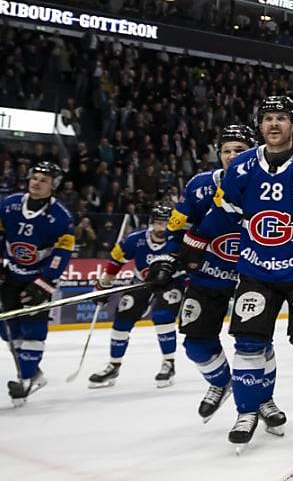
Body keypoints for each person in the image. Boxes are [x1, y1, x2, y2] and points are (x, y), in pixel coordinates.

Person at [207, 95, 293, 445]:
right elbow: (225, 211)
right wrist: (192, 248)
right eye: (268, 118)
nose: (273, 124)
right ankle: (246, 411)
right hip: (256, 270)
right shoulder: (241, 168)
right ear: (260, 125)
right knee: (249, 343)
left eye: (281, 117)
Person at [162, 125, 271, 423]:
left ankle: (263, 398)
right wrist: (168, 259)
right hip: (207, 278)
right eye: (226, 151)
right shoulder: (199, 186)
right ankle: (222, 382)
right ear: (218, 154)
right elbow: (177, 228)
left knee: (256, 344)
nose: (232, 156)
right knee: (196, 344)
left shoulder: (268, 183)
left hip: (252, 278)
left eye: (239, 150)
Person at [0, 162, 75, 405]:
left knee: (33, 330)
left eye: (44, 180)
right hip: (10, 275)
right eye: (35, 177)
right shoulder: (9, 204)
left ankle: (26, 380)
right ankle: (34, 373)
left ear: (53, 186)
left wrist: (44, 283)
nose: (36, 182)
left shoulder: (61, 217)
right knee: (8, 330)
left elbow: (62, 253)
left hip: (38, 279)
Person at [88, 205, 183, 388]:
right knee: (122, 317)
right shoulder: (135, 240)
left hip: (171, 283)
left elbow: (190, 265)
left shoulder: (178, 240)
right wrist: (103, 285)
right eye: (157, 223)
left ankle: (168, 363)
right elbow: (115, 263)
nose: (161, 227)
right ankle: (114, 365)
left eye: (165, 223)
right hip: (142, 282)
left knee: (162, 316)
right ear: (150, 223)